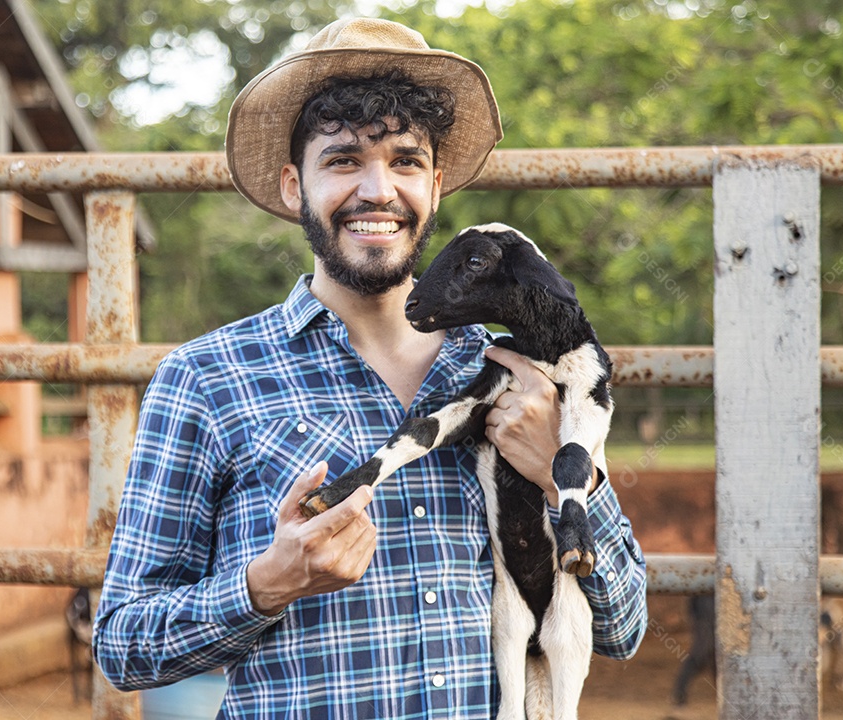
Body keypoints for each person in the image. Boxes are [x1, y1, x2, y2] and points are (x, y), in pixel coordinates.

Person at [93, 17, 647, 718]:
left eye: (406, 161)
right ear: (295, 185)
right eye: (344, 160)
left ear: (437, 185)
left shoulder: (520, 376)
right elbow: (122, 644)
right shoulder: (206, 379)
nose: (378, 190)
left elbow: (624, 630)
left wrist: (565, 472)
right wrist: (268, 583)